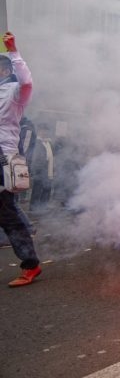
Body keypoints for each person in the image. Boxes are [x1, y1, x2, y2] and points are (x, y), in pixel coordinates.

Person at [0, 32, 42, 287]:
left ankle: (31, 264)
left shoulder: (15, 92)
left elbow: (27, 83)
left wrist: (14, 50)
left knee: (8, 213)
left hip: (4, 157)